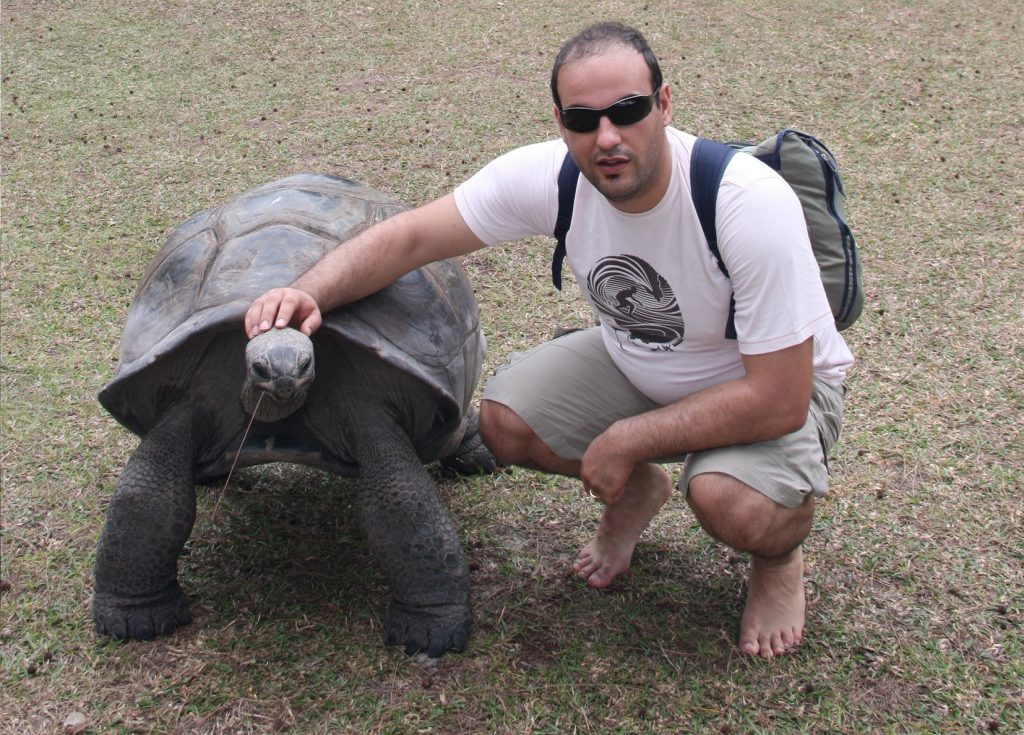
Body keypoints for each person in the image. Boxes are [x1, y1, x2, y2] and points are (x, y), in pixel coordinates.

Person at [245, 21, 854, 659]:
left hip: (768, 387)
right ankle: (640, 488)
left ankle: (780, 558)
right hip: (640, 364)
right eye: (584, 119)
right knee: (505, 424)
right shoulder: (553, 177)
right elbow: (410, 238)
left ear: (664, 104)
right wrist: (308, 293)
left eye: (628, 110)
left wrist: (624, 438)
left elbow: (777, 400)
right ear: (561, 122)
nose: (608, 137)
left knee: (728, 501)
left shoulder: (745, 203)